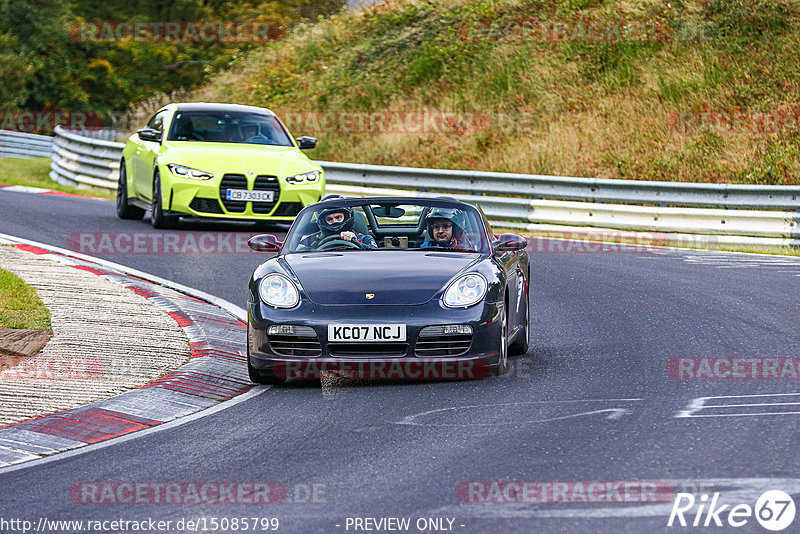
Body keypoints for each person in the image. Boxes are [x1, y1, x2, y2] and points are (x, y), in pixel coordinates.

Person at [299, 206, 377, 249]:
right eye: (329, 219)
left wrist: (357, 243)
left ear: (346, 217)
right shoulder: (314, 241)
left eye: (338, 217)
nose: (334, 221)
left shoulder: (365, 239)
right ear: (323, 222)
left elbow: (375, 255)